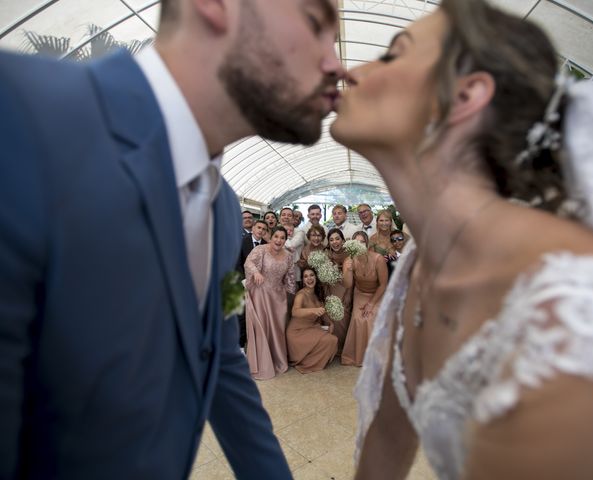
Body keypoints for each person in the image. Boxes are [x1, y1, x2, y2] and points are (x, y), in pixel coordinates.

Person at [0, 0, 344, 477]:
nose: (338, 64)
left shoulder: (222, 208)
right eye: (314, 21)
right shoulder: (19, 115)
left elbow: (219, 356)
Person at [330, 0, 593, 479]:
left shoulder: (571, 304)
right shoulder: (422, 266)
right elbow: (390, 436)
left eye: (393, 55)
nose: (352, 71)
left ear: (466, 95)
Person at [244, 226, 296, 381]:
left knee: (277, 329)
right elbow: (248, 263)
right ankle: (262, 364)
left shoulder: (288, 256)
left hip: (278, 296)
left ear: (285, 240)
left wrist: (292, 293)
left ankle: (277, 360)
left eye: (282, 238)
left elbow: (291, 276)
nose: (279, 240)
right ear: (271, 237)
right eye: (276, 237)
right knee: (262, 327)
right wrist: (256, 272)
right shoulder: (260, 250)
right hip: (260, 294)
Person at [340, 232, 388, 367]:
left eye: (362, 242)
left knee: (371, 317)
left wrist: (371, 304)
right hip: (360, 293)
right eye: (356, 242)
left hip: (378, 293)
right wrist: (348, 270)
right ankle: (359, 356)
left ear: (367, 244)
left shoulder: (378, 259)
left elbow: (384, 284)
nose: (359, 245)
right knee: (359, 319)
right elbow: (348, 285)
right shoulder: (349, 260)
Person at [286, 267, 338, 373]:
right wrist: (313, 310)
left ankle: (312, 358)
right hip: (297, 332)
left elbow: (322, 312)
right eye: (305, 276)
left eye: (311, 275)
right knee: (331, 340)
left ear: (316, 277)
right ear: (303, 280)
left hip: (309, 328)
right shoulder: (301, 294)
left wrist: (330, 323)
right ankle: (306, 362)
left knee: (333, 339)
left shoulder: (317, 294)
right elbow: (295, 312)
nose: (309, 278)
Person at [236, 220, 269, 348]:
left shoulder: (266, 245)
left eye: (263, 229)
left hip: (260, 286)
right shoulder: (242, 242)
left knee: (258, 315)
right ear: (253, 228)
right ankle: (240, 346)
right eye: (258, 227)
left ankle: (256, 346)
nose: (260, 230)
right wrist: (244, 280)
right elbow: (237, 262)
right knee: (242, 315)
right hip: (242, 284)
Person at [324, 228, 352, 353]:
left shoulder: (350, 255)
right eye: (331, 240)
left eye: (337, 239)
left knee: (344, 317)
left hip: (346, 290)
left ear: (343, 240)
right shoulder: (326, 255)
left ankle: (344, 348)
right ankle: (334, 348)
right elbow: (323, 279)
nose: (335, 242)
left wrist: (348, 295)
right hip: (331, 289)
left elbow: (353, 279)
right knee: (332, 317)